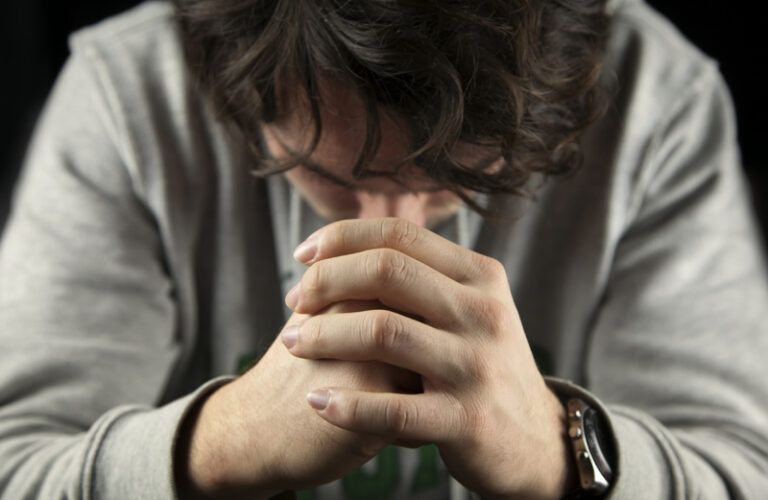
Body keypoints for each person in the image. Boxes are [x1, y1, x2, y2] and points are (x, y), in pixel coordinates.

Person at [1, 0, 767, 498]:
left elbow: (744, 471)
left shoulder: (652, 102)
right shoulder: (127, 96)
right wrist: (222, 444)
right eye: (327, 175)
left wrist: (554, 455)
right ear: (233, 96)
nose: (392, 239)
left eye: (460, 180)